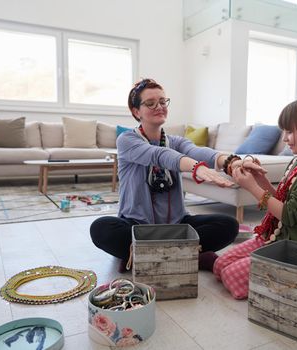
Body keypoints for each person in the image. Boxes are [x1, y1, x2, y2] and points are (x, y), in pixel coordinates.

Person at [90, 78, 243, 272]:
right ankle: (186, 256)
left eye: (162, 101)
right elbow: (158, 155)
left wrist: (231, 162)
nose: (159, 107)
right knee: (101, 228)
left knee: (228, 225)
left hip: (176, 226)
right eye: (150, 103)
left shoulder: (176, 141)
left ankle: (140, 257)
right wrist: (196, 168)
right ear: (136, 112)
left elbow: (197, 151)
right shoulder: (127, 140)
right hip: (137, 226)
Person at [213, 94, 297, 299]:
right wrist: (261, 182)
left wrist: (252, 189)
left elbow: (290, 215)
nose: (285, 138)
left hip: (295, 246)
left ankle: (296, 278)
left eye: (290, 131)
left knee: (230, 276)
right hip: (277, 235)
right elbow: (285, 202)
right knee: (219, 265)